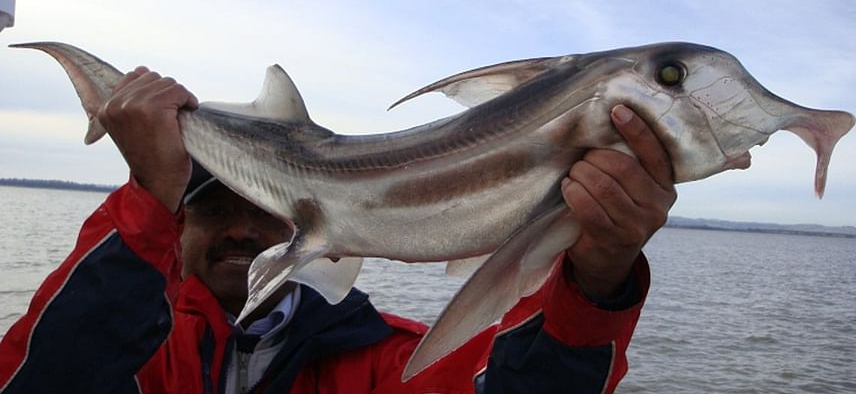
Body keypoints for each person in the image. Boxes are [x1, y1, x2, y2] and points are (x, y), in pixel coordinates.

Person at [0, 66, 677, 393]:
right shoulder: (141, 353)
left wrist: (595, 276)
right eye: (212, 207)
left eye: (259, 208)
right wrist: (147, 191)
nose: (239, 227)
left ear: (300, 217)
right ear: (173, 228)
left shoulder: (384, 361)